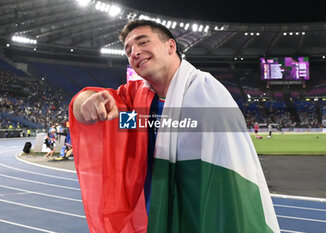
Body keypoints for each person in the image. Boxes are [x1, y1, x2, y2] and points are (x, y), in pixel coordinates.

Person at [70, 20, 280, 233]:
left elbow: (230, 177)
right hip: (157, 217)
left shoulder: (207, 96)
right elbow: (99, 106)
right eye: (128, 50)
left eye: (143, 42)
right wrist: (89, 103)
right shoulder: (136, 99)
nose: (134, 52)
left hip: (203, 219)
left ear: (171, 46)